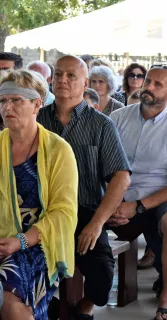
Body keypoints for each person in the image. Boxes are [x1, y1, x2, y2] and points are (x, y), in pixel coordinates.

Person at [37, 55, 131, 319]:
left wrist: (97, 223)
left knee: (102, 272)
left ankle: (84, 308)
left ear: (85, 83)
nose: (63, 80)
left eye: (71, 76)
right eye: (58, 75)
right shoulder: (36, 120)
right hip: (42, 212)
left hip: (85, 211)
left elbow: (121, 177)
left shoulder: (101, 124)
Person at [109, 64, 167, 320]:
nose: (148, 87)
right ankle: (78, 297)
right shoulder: (117, 118)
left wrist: (136, 206)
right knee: (77, 213)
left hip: (160, 198)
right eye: (148, 81)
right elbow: (103, 168)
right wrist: (111, 202)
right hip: (118, 195)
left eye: (158, 85)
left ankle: (166, 298)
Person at [0, 69, 78, 319]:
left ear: (37, 104)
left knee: (11, 298)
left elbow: (64, 214)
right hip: (1, 241)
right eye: (3, 100)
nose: (7, 107)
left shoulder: (58, 150)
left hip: (40, 244)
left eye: (16, 100)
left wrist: (20, 241)